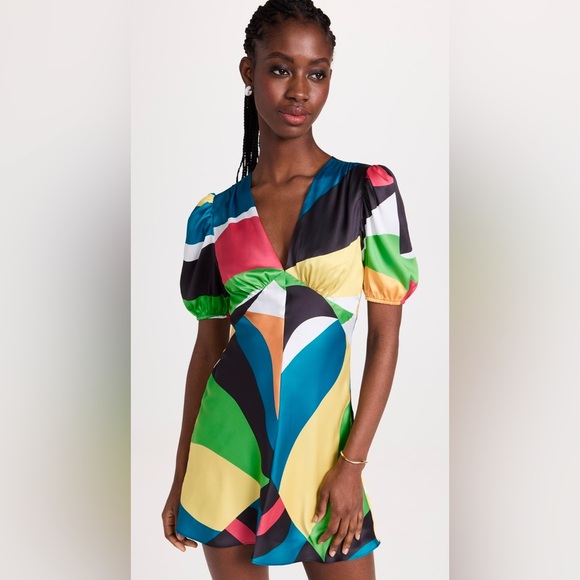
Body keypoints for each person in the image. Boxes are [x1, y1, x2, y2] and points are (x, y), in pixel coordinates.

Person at [162, 1, 418, 578]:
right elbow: (208, 351)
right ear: (248, 72)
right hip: (225, 454)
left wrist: (352, 465)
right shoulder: (214, 218)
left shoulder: (366, 191)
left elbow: (385, 338)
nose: (300, 90)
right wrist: (181, 475)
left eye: (317, 73)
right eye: (280, 69)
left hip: (325, 462)